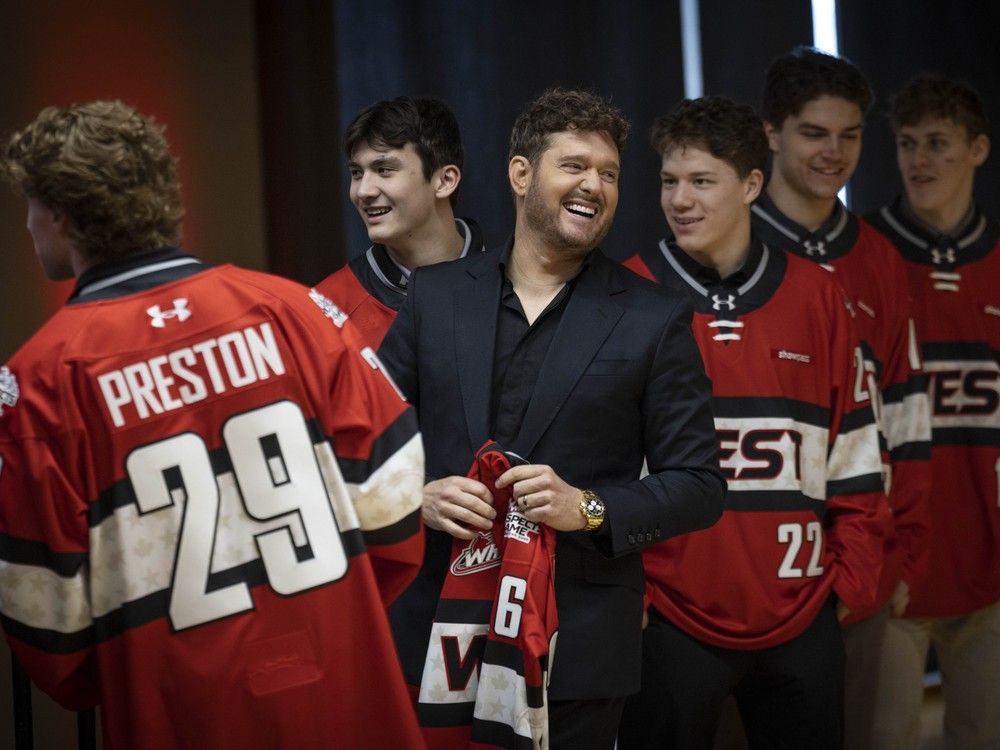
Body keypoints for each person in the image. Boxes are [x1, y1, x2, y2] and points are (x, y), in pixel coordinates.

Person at [0, 101, 426, 749]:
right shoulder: (296, 311)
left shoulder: (40, 380)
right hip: (343, 697)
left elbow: (48, 626)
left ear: (58, 214)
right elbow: (396, 505)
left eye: (31, 206)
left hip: (180, 716)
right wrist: (340, 616)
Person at [379, 88, 726, 748]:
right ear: (521, 174)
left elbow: (699, 486)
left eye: (609, 173)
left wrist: (588, 507)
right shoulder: (435, 297)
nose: (594, 185)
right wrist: (417, 495)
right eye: (574, 166)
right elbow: (365, 443)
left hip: (578, 645)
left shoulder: (654, 319)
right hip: (437, 632)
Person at [618, 96, 887, 749]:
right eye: (669, 181)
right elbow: (599, 466)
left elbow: (858, 452)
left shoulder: (818, 295)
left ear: (751, 184)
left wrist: (848, 586)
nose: (680, 199)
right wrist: (631, 596)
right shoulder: (626, 294)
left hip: (804, 613)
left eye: (701, 181)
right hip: (670, 618)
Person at [750, 47, 933, 750]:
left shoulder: (880, 257)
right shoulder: (727, 240)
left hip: (855, 565)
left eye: (849, 134)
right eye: (814, 132)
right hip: (740, 569)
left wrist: (899, 553)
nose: (834, 152)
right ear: (771, 132)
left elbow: (906, 415)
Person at [865, 74, 1000, 750]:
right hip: (891, 564)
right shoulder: (864, 254)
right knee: (883, 737)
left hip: (989, 562)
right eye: (907, 143)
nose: (919, 160)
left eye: (938, 144)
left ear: (978, 149)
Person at [314, 96, 485, 347]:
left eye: (384, 170)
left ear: (445, 181)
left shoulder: (515, 286)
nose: (363, 191)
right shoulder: (327, 309)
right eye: (357, 173)